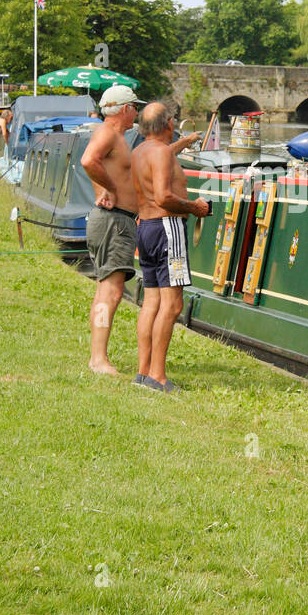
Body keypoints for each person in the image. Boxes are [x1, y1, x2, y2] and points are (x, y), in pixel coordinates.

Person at [131, 103, 211, 392]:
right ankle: (158, 376)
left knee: (151, 302)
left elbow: (160, 156)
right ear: (167, 124)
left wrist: (184, 143)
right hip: (168, 229)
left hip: (146, 229)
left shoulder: (140, 151)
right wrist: (194, 207)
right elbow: (164, 197)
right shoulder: (161, 152)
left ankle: (142, 373)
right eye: (173, 119)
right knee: (173, 304)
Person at [80, 85, 142, 375]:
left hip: (117, 220)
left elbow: (96, 162)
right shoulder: (108, 133)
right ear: (125, 109)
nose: (137, 112)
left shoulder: (116, 136)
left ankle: (98, 356)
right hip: (113, 221)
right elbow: (88, 160)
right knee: (111, 291)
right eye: (134, 107)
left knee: (107, 289)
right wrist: (110, 188)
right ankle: (99, 360)